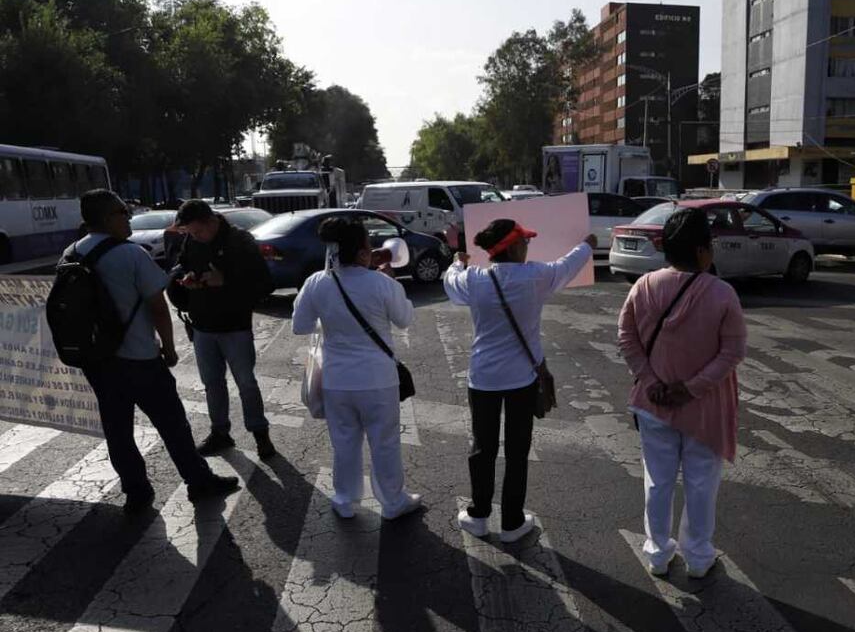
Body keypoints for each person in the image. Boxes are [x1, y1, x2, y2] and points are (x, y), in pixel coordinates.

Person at [66, 190, 239, 514]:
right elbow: (158, 308)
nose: (129, 217)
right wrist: (170, 349)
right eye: (123, 211)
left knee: (118, 431)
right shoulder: (130, 254)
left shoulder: (72, 253)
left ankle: (136, 492)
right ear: (108, 218)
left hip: (98, 361)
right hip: (140, 360)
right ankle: (198, 481)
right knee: (173, 425)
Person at [444, 220, 595, 542]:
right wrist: (588, 245)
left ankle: (478, 515)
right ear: (513, 247)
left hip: (483, 379)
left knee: (482, 449)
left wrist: (458, 261)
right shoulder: (535, 277)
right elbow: (567, 265)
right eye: (525, 241)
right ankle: (512, 522)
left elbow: (450, 281)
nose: (528, 246)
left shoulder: (474, 279)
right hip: (521, 380)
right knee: (517, 451)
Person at [617, 209, 748, 578]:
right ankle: (698, 557)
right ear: (703, 251)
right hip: (704, 407)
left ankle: (658, 554)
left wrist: (650, 381)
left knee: (657, 482)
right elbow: (732, 352)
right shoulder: (722, 293)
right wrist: (691, 388)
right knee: (701, 484)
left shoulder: (643, 286)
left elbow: (627, 339)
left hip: (653, 403)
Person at [291, 217, 421, 520]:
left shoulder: (317, 282)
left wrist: (331, 317)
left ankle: (344, 499)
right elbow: (404, 319)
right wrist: (392, 282)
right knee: (385, 443)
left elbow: (300, 325)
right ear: (363, 250)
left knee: (344, 442)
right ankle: (393, 501)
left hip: (336, 380)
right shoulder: (382, 283)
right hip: (378, 379)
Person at [171, 200, 277, 459]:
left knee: (246, 383)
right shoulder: (192, 241)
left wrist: (226, 280)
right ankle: (220, 433)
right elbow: (183, 265)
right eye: (190, 233)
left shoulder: (239, 241)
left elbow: (265, 284)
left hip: (235, 326)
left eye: (198, 231)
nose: (195, 237)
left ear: (211, 221)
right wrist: (187, 279)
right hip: (202, 326)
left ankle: (260, 434)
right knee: (212, 384)